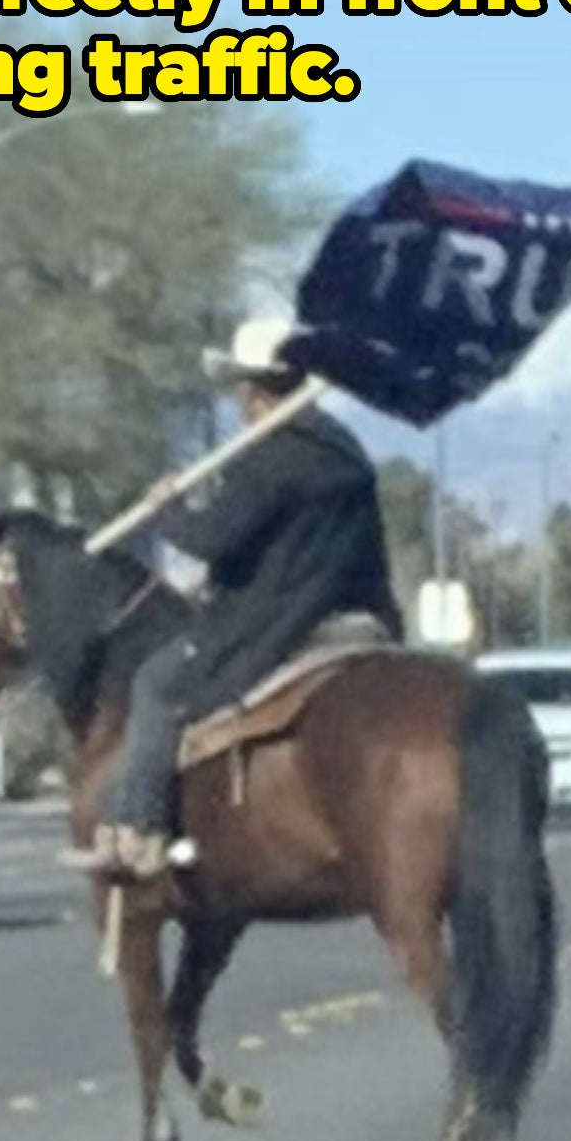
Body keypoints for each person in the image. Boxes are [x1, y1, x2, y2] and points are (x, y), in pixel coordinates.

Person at [72, 317, 402, 881]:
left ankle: (142, 829)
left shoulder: (270, 457)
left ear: (251, 391)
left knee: (157, 683)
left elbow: (212, 539)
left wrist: (166, 509)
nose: (237, 401)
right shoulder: (345, 452)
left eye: (239, 390)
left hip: (281, 623)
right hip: (362, 616)